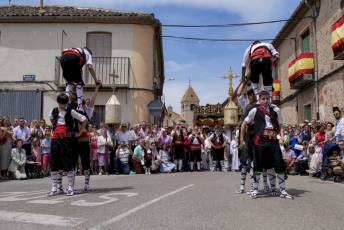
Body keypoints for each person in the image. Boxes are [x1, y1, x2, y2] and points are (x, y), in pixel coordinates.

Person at [241, 90, 292, 199]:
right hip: (261, 141)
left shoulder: (276, 110)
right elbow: (245, 123)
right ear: (259, 100)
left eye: (267, 98)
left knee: (278, 164)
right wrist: (245, 137)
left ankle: (282, 190)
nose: (265, 101)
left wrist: (282, 137)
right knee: (258, 165)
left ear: (269, 99)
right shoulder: (254, 110)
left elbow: (281, 125)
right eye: (263, 99)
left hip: (273, 140)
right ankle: (255, 190)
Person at [49, 93, 87, 196]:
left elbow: (84, 119)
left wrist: (79, 132)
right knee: (54, 162)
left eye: (64, 104)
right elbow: (51, 119)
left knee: (68, 162)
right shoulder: (54, 110)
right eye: (61, 103)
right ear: (58, 102)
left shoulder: (71, 110)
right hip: (55, 138)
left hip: (67, 139)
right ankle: (55, 187)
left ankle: (70, 187)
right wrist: (54, 128)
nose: (62, 106)